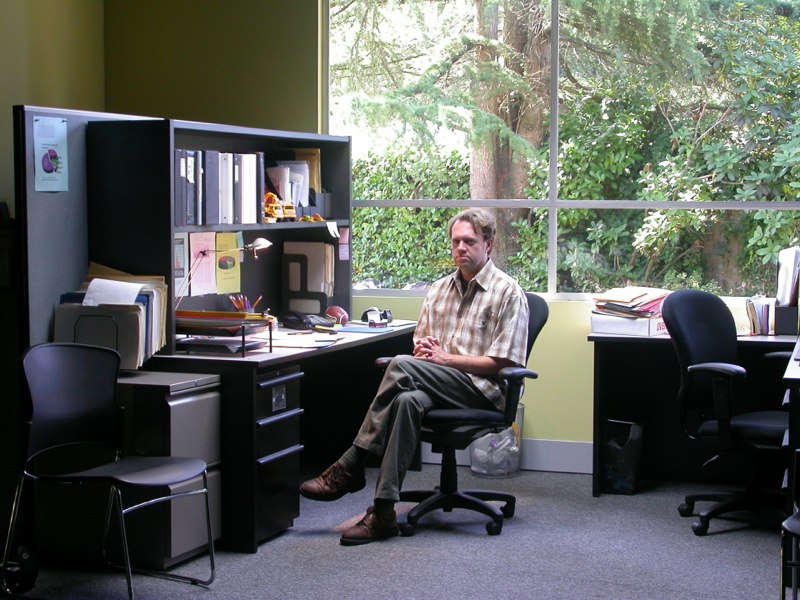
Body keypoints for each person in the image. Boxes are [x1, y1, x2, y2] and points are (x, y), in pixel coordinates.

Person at [299, 208, 530, 545]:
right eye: (456, 241)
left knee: (400, 365)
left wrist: (447, 359)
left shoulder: (508, 292)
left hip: (483, 391)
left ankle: (351, 463)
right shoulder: (438, 290)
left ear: (488, 244)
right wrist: (425, 351)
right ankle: (383, 513)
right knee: (407, 400)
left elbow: (504, 362)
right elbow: (422, 345)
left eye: (469, 241)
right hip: (438, 383)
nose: (461, 248)